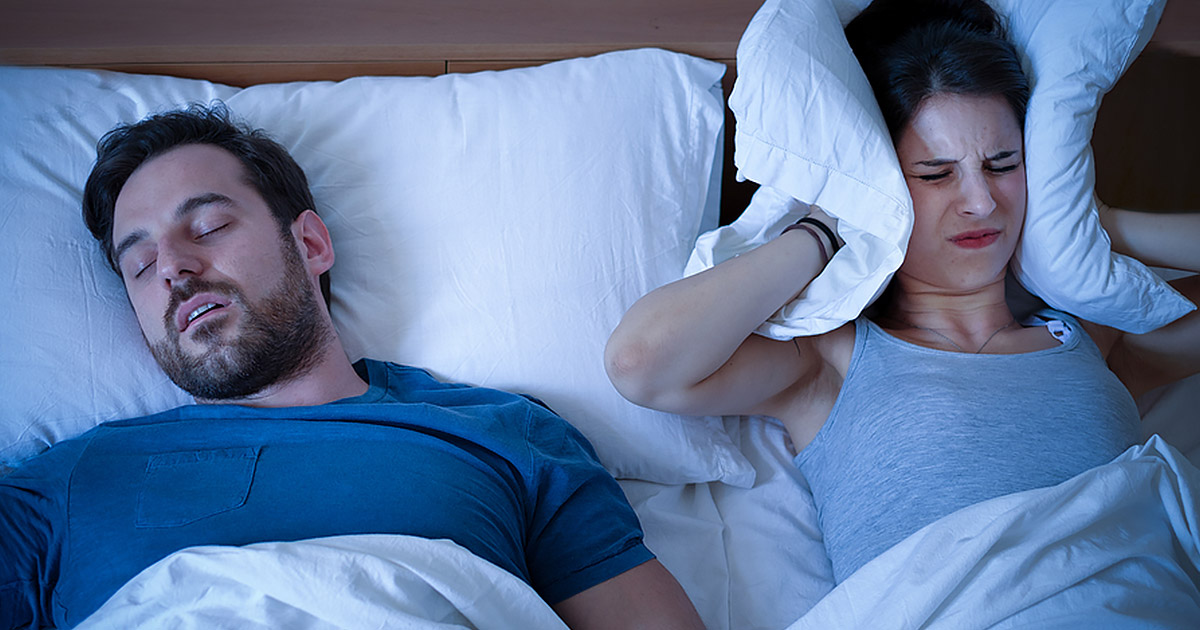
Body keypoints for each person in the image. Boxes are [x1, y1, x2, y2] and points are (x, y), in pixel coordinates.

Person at [0, 104, 705, 630]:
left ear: (309, 243)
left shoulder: (502, 434)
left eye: (207, 227)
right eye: (141, 264)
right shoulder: (72, 478)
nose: (174, 269)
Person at [605, 0, 1200, 584]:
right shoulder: (830, 362)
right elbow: (642, 363)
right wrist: (826, 229)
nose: (981, 201)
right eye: (935, 174)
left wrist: (1095, 226)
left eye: (1002, 164)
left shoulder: (1093, 336)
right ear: (883, 184)